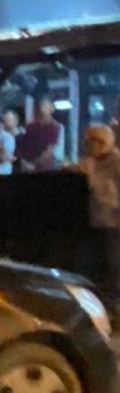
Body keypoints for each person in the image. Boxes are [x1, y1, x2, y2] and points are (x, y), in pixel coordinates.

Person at [78, 126, 120, 320]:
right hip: (95, 222)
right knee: (93, 267)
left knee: (113, 267)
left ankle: (114, 310)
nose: (87, 145)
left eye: (90, 141)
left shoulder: (117, 162)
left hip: (114, 223)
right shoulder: (90, 163)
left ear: (102, 143)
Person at [17, 98, 64, 171]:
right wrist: (24, 162)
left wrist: (33, 164)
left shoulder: (54, 126)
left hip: (44, 167)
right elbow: (23, 145)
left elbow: (49, 150)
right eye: (42, 106)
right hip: (26, 166)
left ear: (52, 109)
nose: (43, 108)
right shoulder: (31, 126)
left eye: (46, 106)